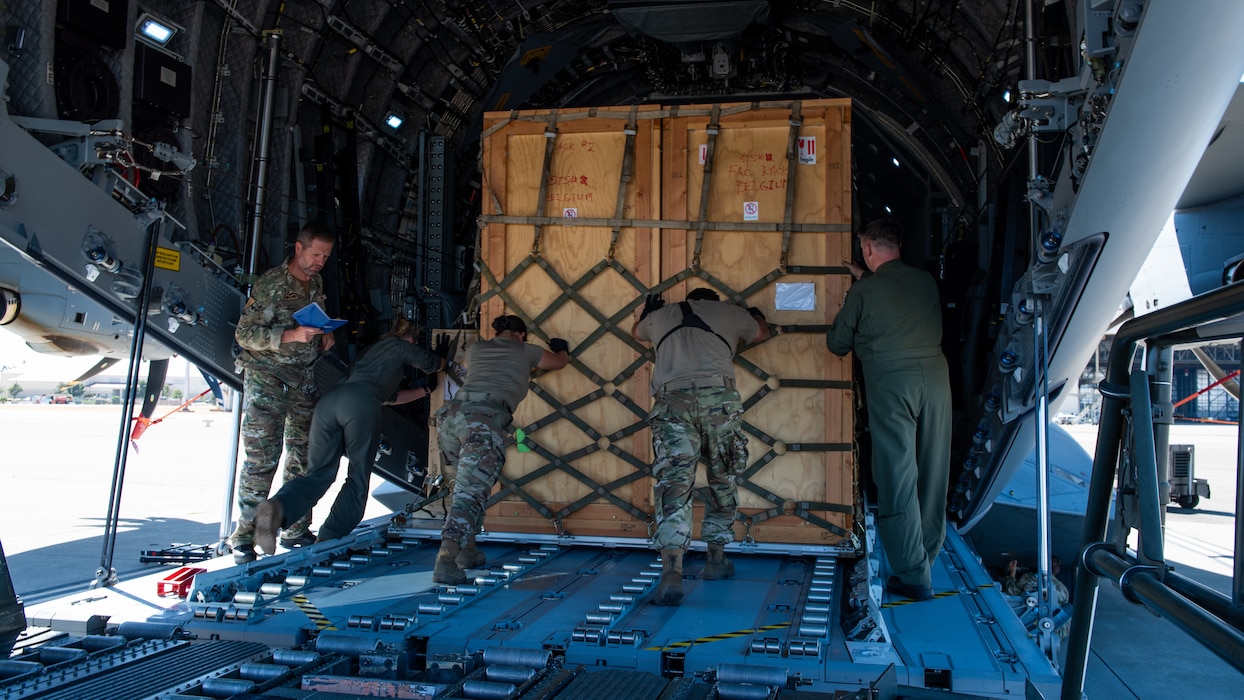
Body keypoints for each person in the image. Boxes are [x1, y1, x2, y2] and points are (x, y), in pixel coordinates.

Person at [826, 218, 951, 601]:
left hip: (893, 385)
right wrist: (866, 279)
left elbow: (837, 344)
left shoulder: (864, 294)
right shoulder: (925, 281)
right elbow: (894, 292)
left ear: (866, 248)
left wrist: (857, 291)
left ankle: (913, 575)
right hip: (935, 379)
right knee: (932, 471)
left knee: (898, 474)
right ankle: (925, 557)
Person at [252, 318, 446, 554]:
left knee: (319, 474)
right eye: (413, 342)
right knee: (358, 476)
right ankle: (330, 537)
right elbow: (430, 363)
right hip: (359, 404)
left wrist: (425, 391)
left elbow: (391, 398)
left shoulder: (369, 356)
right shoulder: (398, 345)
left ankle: (277, 508)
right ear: (408, 337)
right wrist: (443, 360)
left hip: (330, 402)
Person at [631, 287, 768, 606]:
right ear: (713, 301)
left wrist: (646, 314)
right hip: (717, 402)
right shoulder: (731, 313)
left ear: (689, 299)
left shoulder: (661, 315)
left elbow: (636, 332)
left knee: (674, 483)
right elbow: (760, 333)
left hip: (672, 404)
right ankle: (716, 561)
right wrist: (755, 315)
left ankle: (672, 572)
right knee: (723, 476)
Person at [432, 315, 570, 584]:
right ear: (521, 335)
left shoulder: (476, 349)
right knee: (470, 492)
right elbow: (559, 362)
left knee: (465, 485)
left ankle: (467, 551)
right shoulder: (526, 350)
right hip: (483, 420)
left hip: (451, 416)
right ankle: (446, 559)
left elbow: (466, 366)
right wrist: (561, 347)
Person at [231, 222, 337, 564]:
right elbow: (244, 334)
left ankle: (294, 528)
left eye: (325, 256)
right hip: (267, 379)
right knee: (262, 459)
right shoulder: (271, 285)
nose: (320, 261)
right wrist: (289, 336)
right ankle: (244, 538)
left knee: (303, 458)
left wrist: (323, 336)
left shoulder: (316, 282)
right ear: (298, 248)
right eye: (315, 254)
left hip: (303, 380)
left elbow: (314, 320)